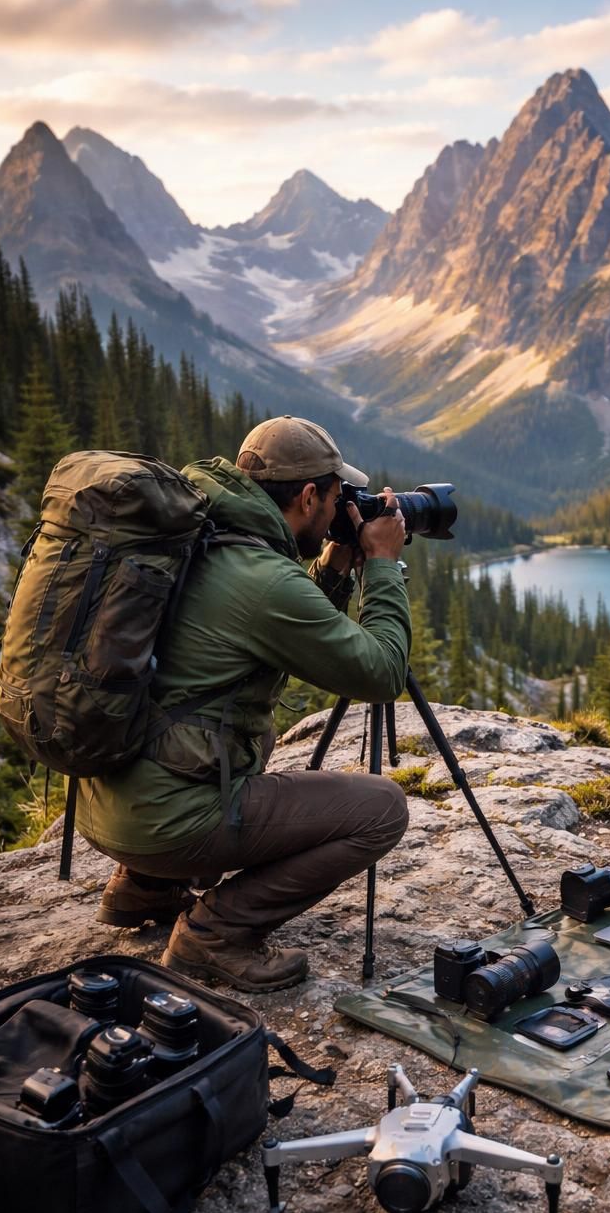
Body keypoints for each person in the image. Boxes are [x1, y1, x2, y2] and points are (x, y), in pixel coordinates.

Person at [76, 415, 412, 993]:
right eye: (336, 499)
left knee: (242, 731)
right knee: (381, 810)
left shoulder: (196, 535)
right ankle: (215, 934)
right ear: (308, 497)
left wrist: (332, 568)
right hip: (164, 822)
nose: (340, 513)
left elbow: (273, 627)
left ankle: (144, 887)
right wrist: (382, 565)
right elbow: (381, 672)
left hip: (101, 804)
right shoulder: (261, 577)